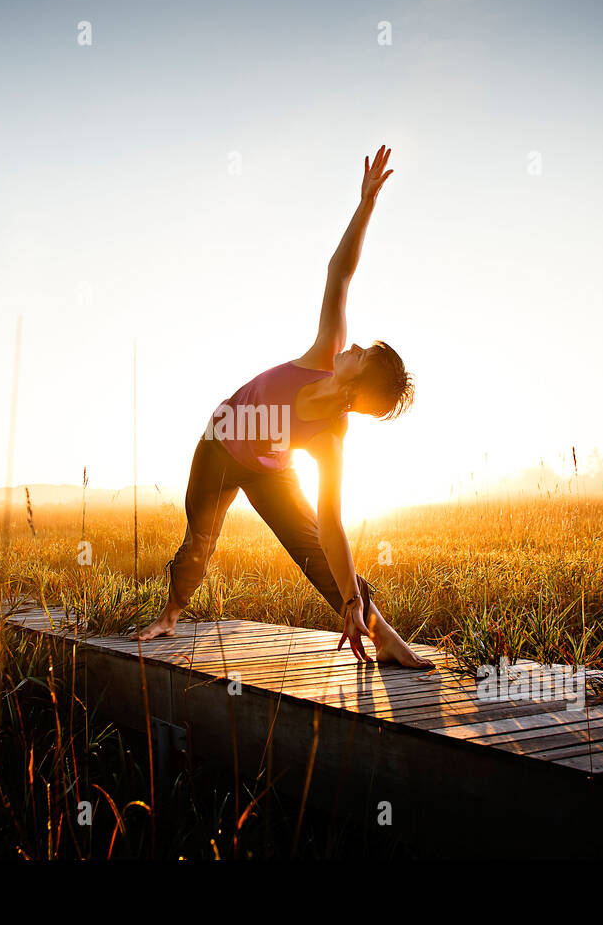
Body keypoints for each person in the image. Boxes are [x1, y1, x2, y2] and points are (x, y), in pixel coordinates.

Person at [135, 145, 433, 669]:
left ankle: (380, 630)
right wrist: (365, 206)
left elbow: (334, 525)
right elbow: (339, 273)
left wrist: (348, 598)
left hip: (270, 469)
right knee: (200, 543)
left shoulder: (331, 436)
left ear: (356, 389)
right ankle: (171, 614)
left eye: (362, 356)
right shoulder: (327, 348)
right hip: (219, 443)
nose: (354, 345)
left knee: (317, 550)